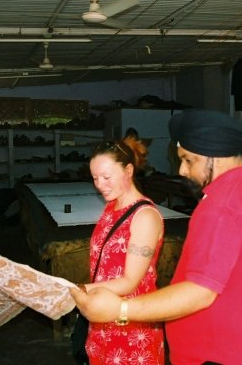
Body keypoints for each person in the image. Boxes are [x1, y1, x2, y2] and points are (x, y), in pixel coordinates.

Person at [71, 109, 242, 365]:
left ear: (215, 155)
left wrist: (121, 310)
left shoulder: (224, 203)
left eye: (189, 160)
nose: (183, 171)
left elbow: (200, 292)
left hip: (219, 356)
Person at [79, 136, 165, 364]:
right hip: (104, 318)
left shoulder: (144, 217)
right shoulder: (112, 207)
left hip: (132, 325)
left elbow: (129, 282)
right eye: (95, 178)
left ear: (128, 170)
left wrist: (78, 290)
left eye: (107, 177)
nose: (100, 184)